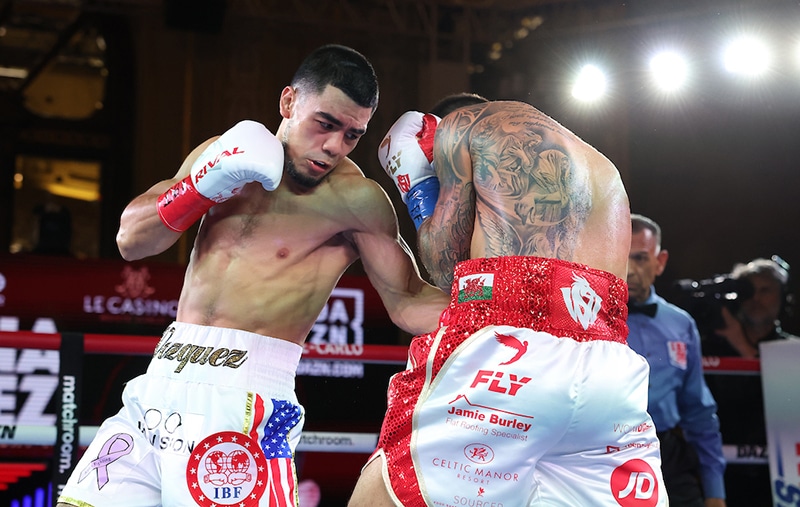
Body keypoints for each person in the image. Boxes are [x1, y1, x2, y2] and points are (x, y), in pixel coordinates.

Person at [56, 44, 449, 507]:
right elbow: (131, 241)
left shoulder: (356, 200)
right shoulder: (222, 153)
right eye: (325, 124)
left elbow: (407, 301)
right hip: (157, 384)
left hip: (243, 399)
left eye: (351, 135)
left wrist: (507, 302)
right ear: (288, 103)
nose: (333, 147)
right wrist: (201, 185)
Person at [349, 96, 667, 506]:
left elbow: (445, 266)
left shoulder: (460, 127)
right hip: (611, 374)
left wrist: (420, 187)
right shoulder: (606, 168)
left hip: (507, 360)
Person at [626, 213, 726, 507]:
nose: (630, 270)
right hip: (602, 450)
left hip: (668, 454)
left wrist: (715, 490)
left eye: (641, 258)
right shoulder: (588, 317)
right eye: (622, 257)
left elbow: (698, 410)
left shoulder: (681, 324)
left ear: (660, 261)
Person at [701, 256, 798, 507]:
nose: (756, 298)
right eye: (749, 291)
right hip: (721, 478)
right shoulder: (710, 347)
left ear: (783, 297)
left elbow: (788, 399)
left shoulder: (793, 349)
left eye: (765, 290)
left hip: (781, 482)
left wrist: (742, 347)